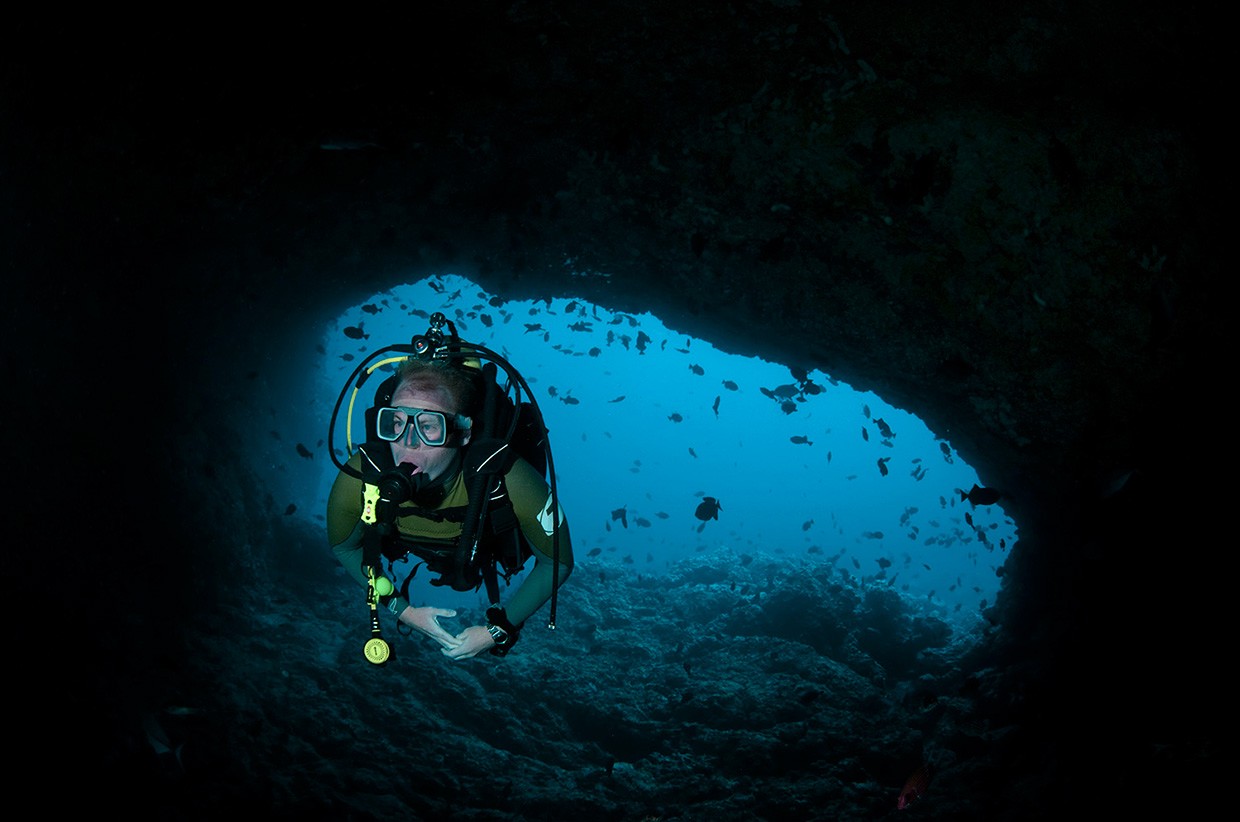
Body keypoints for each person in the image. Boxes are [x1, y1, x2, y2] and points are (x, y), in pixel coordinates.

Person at [327, 357, 573, 659]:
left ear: (464, 432)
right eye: (397, 422)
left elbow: (557, 561)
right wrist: (403, 611)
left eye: (429, 426)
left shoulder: (505, 476)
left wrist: (496, 631)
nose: (408, 442)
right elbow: (345, 548)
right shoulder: (363, 478)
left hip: (483, 549)